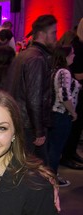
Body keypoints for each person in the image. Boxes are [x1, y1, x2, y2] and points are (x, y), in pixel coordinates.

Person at [5, 14, 58, 166]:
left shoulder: (24, 55)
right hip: (28, 126)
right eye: (53, 32)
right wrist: (39, 130)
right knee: (40, 171)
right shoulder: (37, 58)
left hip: (20, 121)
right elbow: (34, 98)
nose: (56, 37)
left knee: (24, 166)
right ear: (42, 34)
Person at [48, 45, 80, 186]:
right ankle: (52, 177)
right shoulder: (64, 72)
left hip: (54, 114)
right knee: (56, 149)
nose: (74, 56)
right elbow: (64, 95)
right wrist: (73, 112)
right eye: (72, 53)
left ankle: (49, 175)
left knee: (52, 148)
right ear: (65, 56)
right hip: (61, 114)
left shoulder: (54, 70)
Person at [61, 18, 83, 169]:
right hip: (75, 93)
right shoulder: (77, 46)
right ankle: (67, 155)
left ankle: (71, 152)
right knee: (74, 125)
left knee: (77, 126)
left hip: (77, 91)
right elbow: (77, 74)